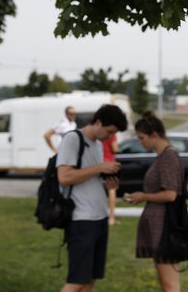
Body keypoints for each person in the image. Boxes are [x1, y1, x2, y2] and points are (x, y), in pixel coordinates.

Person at [56, 104, 128, 292]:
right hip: (81, 220)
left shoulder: (96, 145)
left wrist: (107, 184)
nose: (110, 137)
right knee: (77, 281)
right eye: (110, 131)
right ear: (98, 122)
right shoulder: (72, 139)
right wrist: (100, 168)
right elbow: (64, 177)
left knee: (90, 280)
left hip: (99, 217)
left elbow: (87, 179)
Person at [124, 111, 184, 292]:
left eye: (142, 138)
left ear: (154, 135)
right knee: (166, 282)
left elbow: (170, 194)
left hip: (165, 227)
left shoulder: (168, 156)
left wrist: (143, 196)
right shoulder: (163, 156)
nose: (140, 142)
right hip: (158, 225)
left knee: (169, 283)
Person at [102, 133, 120, 226]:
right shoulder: (112, 134)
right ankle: (111, 218)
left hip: (99, 163)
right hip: (110, 164)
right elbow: (115, 149)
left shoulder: (99, 133)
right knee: (112, 189)